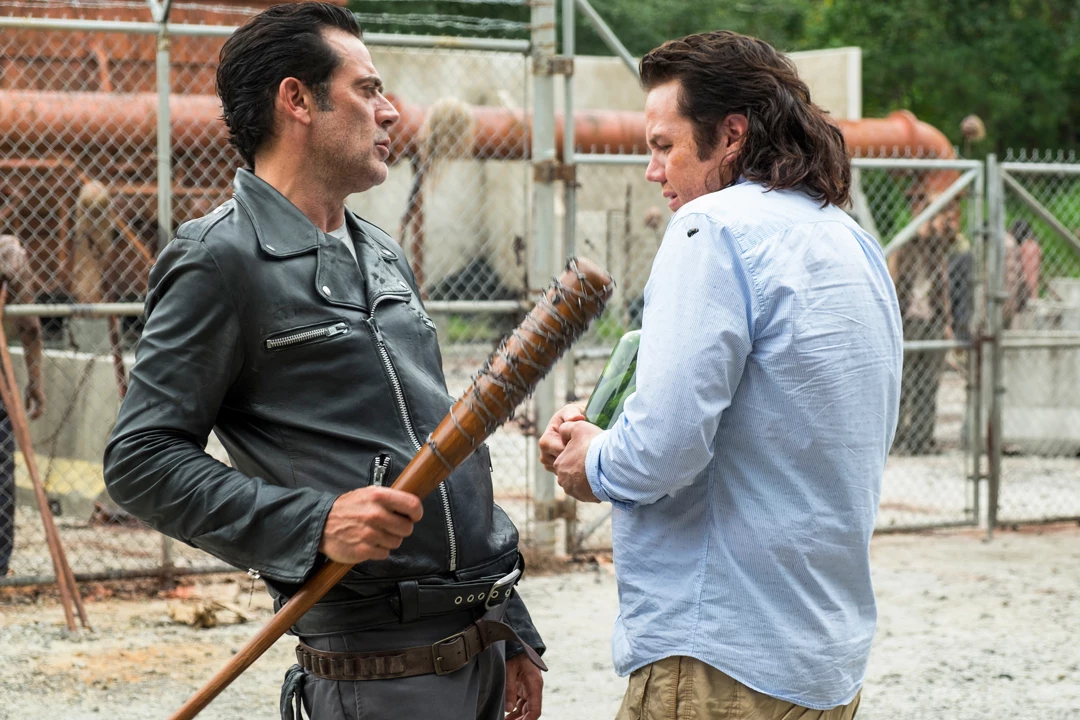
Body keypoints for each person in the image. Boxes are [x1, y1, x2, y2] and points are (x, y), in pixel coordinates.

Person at [102, 5, 544, 719]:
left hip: (483, 648)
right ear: (297, 100)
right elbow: (140, 459)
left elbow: (442, 446)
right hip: (380, 674)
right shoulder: (219, 259)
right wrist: (315, 522)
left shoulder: (382, 253)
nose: (390, 111)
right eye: (367, 90)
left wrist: (510, 621)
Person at [540, 31, 902, 719]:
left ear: (731, 135)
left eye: (664, 145)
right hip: (822, 660)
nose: (653, 171)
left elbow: (664, 448)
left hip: (717, 657)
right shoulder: (847, 237)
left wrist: (594, 458)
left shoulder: (711, 227)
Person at [893, 193, 955, 455]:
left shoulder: (936, 248)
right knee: (904, 381)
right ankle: (897, 437)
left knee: (928, 383)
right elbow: (895, 279)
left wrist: (947, 322)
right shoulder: (905, 245)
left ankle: (921, 438)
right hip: (908, 320)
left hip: (932, 320)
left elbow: (944, 284)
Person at [0, 234, 46, 577]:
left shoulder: (7, 251)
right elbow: (30, 327)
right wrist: (35, 381)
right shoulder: (7, 252)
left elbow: (29, 325)